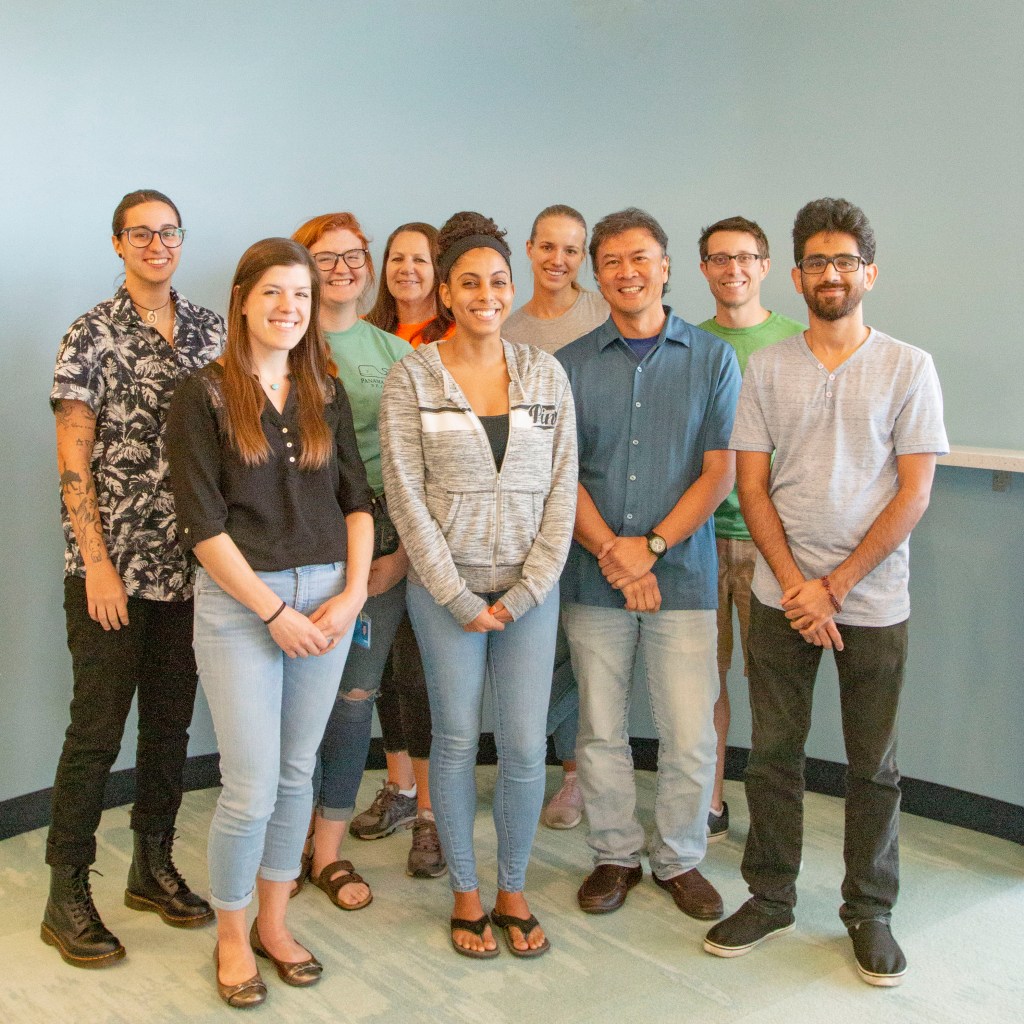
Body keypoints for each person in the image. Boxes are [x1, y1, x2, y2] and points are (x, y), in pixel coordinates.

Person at [703, 199, 947, 988]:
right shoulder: (770, 367)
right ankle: (770, 897)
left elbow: (913, 493)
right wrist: (795, 586)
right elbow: (751, 485)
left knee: (873, 765)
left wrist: (834, 588)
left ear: (869, 274)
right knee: (773, 757)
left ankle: (869, 909)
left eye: (845, 261)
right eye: (817, 262)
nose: (831, 274)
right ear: (798, 275)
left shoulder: (909, 366)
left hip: (872, 603)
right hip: (782, 599)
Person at [167, 237, 374, 1007]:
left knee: (295, 774)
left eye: (302, 295)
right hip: (241, 606)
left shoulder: (324, 390)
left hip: (326, 599)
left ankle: (275, 925)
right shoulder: (203, 395)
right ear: (244, 300)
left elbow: (357, 502)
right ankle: (232, 934)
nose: (290, 308)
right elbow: (202, 526)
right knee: (250, 785)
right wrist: (273, 611)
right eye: (274, 293)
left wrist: (353, 594)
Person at [379, 211, 577, 959]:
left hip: (530, 593)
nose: (485, 294)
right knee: (457, 739)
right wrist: (458, 597)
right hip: (445, 595)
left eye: (498, 281)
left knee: (524, 746)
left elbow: (562, 490)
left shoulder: (545, 374)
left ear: (511, 288)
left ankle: (512, 889)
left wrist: (526, 592)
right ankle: (466, 891)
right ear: (447, 293)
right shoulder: (412, 377)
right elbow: (405, 495)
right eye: (469, 282)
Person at [43, 189, 223, 969]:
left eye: (169, 232)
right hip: (111, 572)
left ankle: (152, 866)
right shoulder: (90, 333)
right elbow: (73, 457)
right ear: (118, 243)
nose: (157, 244)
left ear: (181, 241)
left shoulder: (212, 333)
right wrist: (97, 566)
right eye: (141, 233)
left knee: (170, 728)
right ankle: (66, 893)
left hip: (192, 571)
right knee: (95, 733)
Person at [557, 207, 740, 923]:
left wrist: (651, 548)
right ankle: (614, 855)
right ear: (597, 276)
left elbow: (720, 471)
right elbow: (562, 474)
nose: (627, 272)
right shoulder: (570, 364)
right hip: (593, 577)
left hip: (684, 579)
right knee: (600, 730)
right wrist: (615, 553)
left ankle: (680, 859)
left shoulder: (713, 359)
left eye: (640, 258)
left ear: (665, 267)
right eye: (611, 262)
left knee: (690, 735)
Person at [293, 213, 445, 886]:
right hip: (304, 539)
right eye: (327, 257)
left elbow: (427, 461)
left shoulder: (395, 352)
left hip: (386, 539)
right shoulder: (285, 339)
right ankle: (297, 839)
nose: (344, 268)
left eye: (354, 255)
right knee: (312, 700)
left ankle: (336, 841)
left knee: (364, 694)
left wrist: (403, 551)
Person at [696, 216, 806, 843]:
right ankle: (710, 803)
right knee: (704, 682)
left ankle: (771, 816)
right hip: (701, 542)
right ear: (703, 268)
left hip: (775, 545)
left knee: (773, 689)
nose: (732, 268)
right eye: (719, 258)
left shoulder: (797, 341)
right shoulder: (690, 344)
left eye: (744, 257)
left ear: (765, 266)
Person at [503, 204, 610, 830]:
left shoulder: (603, 314)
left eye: (571, 250)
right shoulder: (510, 327)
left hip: (596, 507)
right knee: (546, 648)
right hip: (532, 515)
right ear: (529, 248)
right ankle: (530, 763)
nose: (558, 260)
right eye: (548, 247)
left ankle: (575, 777)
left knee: (583, 647)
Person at [349, 222, 451, 870]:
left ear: (440, 270)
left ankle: (433, 813)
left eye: (420, 259)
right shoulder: (368, 336)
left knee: (418, 671)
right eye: (396, 258)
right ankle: (400, 788)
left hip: (429, 529)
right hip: (369, 524)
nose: (406, 268)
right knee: (382, 668)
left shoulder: (454, 339)